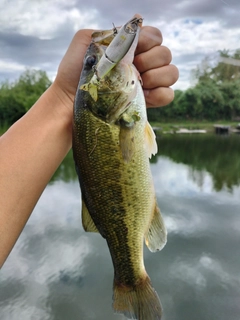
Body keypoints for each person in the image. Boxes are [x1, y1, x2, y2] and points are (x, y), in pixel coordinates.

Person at [0, 26, 179, 267]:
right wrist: (65, 95)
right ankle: (131, 275)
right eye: (91, 62)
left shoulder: (110, 109)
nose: (98, 54)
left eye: (91, 61)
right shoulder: (110, 109)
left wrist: (65, 96)